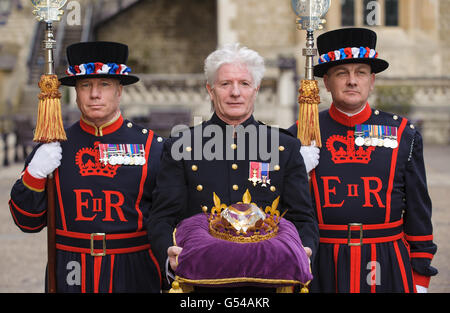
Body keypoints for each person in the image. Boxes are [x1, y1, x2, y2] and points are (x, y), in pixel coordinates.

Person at [148, 43, 319, 290]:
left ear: (256, 89)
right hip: (202, 283)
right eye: (225, 83)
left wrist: (305, 249)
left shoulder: (284, 148)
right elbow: (162, 218)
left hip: (269, 281)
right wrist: (169, 253)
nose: (235, 92)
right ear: (211, 89)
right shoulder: (181, 147)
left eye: (244, 84)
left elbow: (303, 218)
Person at [288, 28, 438, 293]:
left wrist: (421, 274)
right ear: (326, 82)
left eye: (361, 72)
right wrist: (295, 168)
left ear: (372, 80)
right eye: (342, 73)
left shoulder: (403, 133)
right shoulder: (301, 133)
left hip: (386, 259)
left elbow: (418, 209)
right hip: (321, 261)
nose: (352, 81)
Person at [9, 41, 164, 293]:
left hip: (133, 270)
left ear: (119, 90)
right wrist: (34, 175)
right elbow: (26, 222)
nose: (94, 94)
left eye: (104, 84)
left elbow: (169, 221)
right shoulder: (53, 149)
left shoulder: (152, 147)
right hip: (71, 270)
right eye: (85, 85)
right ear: (76, 92)